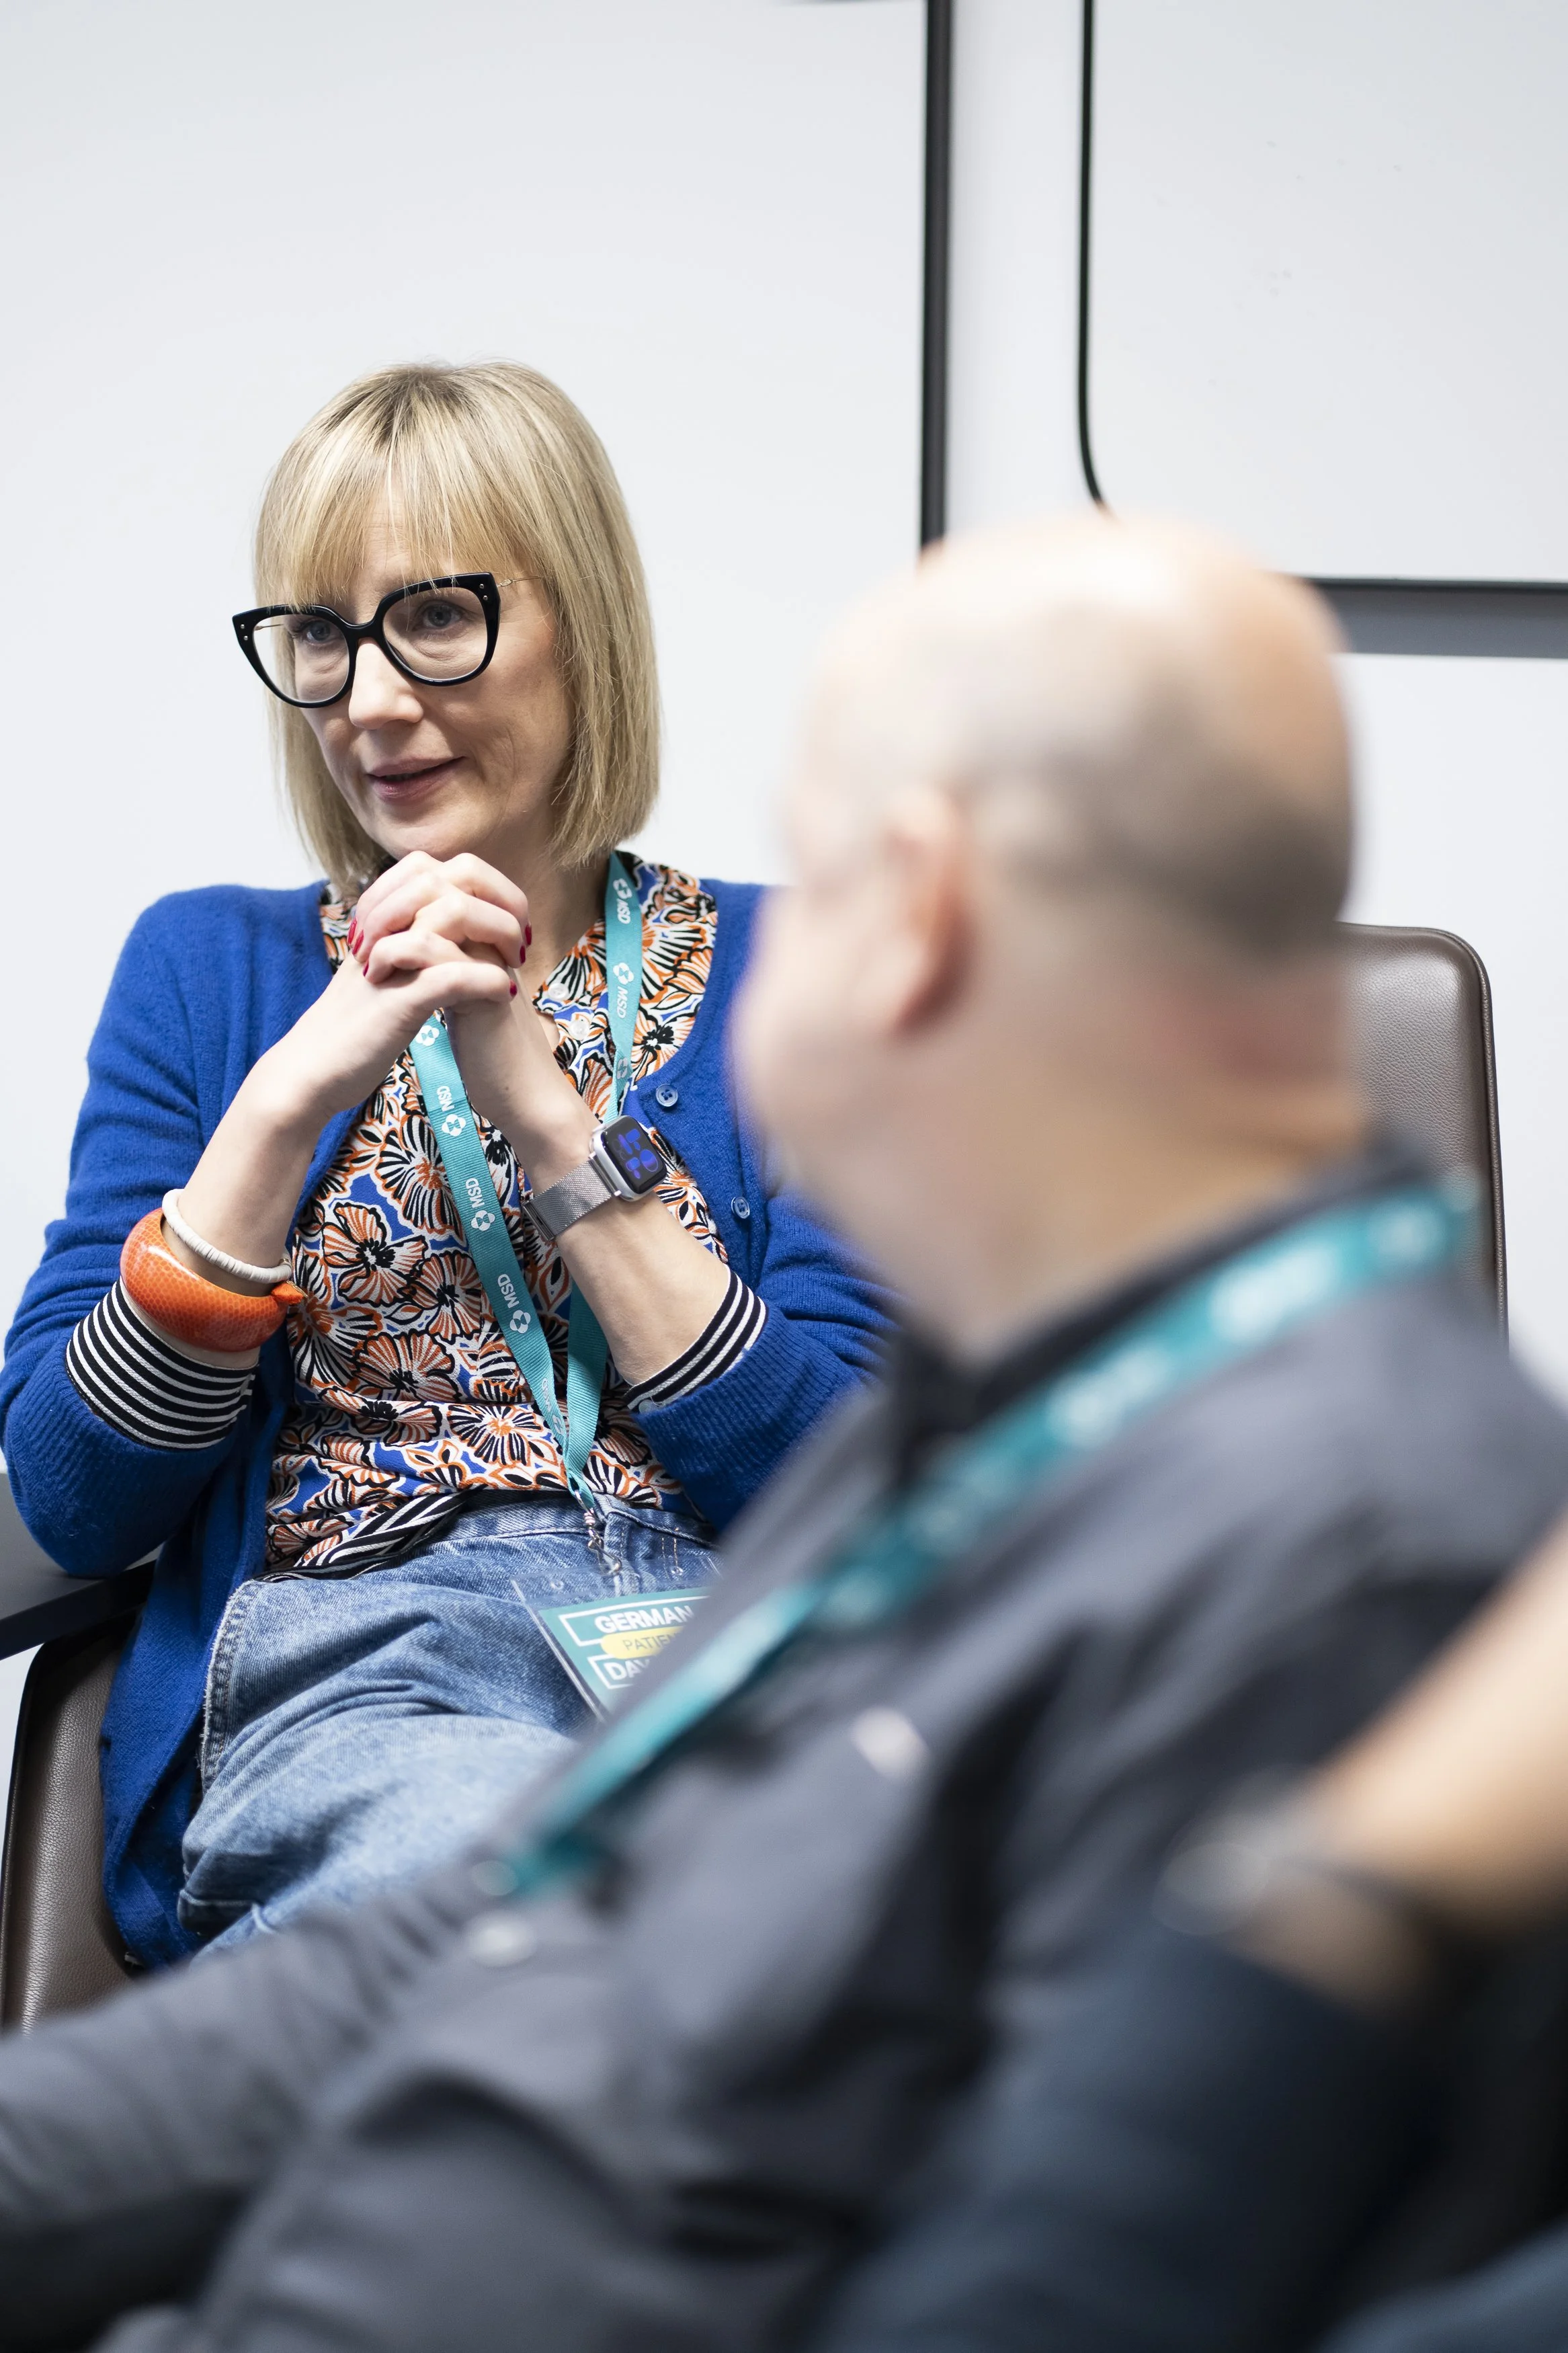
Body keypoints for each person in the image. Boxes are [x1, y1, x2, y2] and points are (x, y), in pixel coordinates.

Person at [3, 512, 1568, 2353]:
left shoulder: (1340, 1539)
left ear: (913, 922)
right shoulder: (994, 1406)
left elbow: (1015, 2269)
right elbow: (527, 1909)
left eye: (811, 877)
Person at [0, 360, 886, 1969]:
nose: (369, 701)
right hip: (369, 1659)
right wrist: (287, 1098)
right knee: (511, 1922)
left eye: (434, 617)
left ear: (582, 624)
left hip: (733, 1654)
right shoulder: (210, 972)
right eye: (322, 639)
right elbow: (70, 1488)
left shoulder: (798, 968)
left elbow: (855, 1492)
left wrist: (543, 1114)